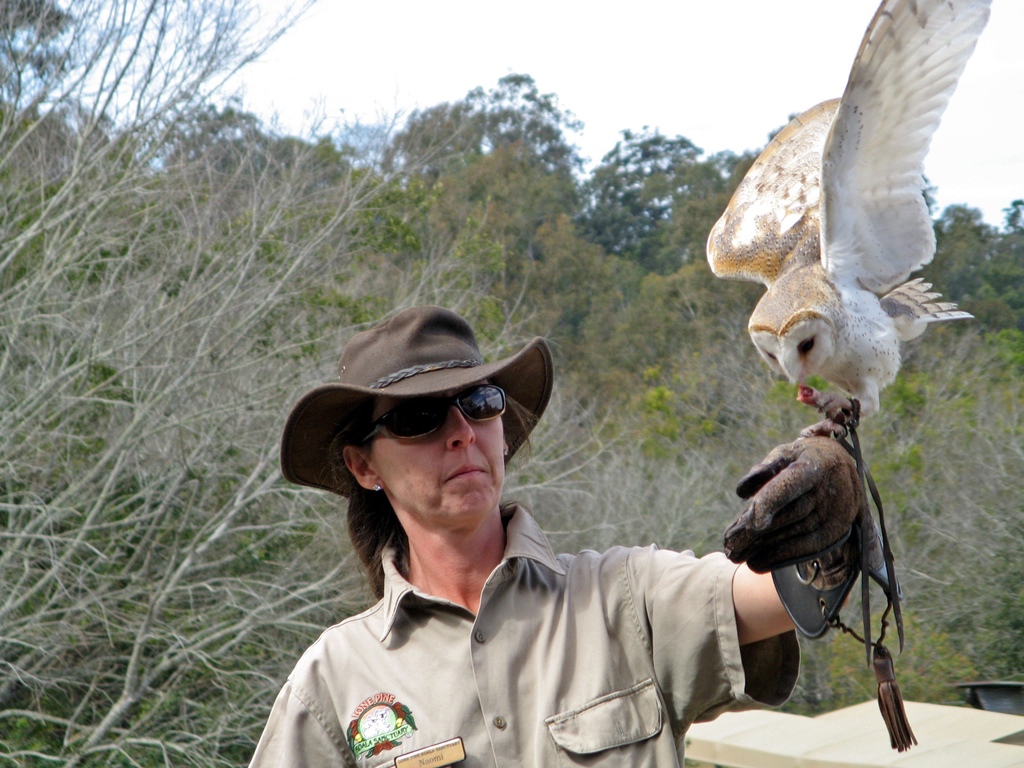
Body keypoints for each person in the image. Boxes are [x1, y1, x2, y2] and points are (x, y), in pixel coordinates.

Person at [250, 305, 861, 767]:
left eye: (479, 401)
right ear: (364, 467)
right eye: (418, 418)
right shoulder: (332, 683)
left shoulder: (627, 598)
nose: (461, 431)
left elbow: (796, 592)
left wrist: (836, 505)